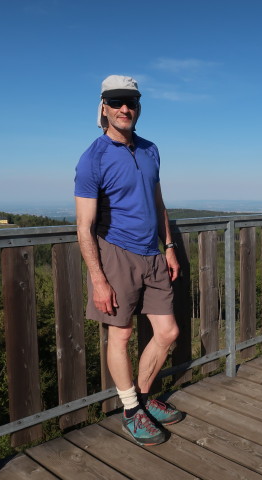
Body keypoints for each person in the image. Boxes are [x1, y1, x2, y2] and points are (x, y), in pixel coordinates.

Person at [74, 75, 183, 445]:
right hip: (116, 254)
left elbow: (158, 203)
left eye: (131, 102)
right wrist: (99, 279)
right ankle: (131, 410)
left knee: (168, 332)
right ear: (103, 107)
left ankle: (143, 397)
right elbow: (84, 226)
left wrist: (168, 247)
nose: (125, 109)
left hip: (154, 254)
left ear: (138, 107)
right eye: (117, 102)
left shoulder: (151, 149)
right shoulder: (93, 158)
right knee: (121, 335)